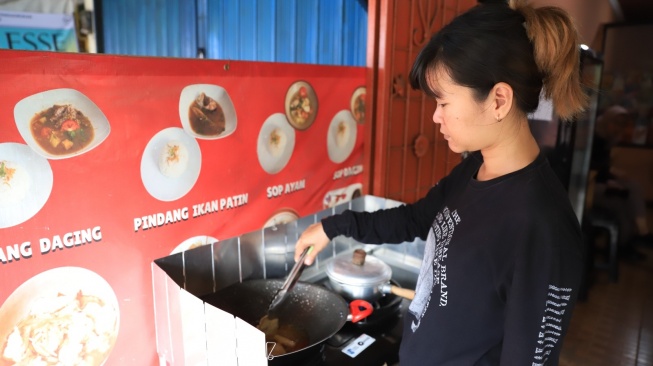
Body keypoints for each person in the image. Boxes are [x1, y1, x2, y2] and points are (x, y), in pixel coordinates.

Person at [294, 0, 587, 364]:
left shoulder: (544, 229)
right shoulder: (475, 170)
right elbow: (415, 219)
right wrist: (332, 227)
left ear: (498, 99)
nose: (435, 116)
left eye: (444, 103)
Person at [591, 105, 653, 256]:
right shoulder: (594, 138)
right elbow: (591, 170)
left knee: (633, 188)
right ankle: (629, 242)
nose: (618, 128)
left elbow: (602, 169)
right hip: (590, 189)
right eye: (616, 123)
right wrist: (609, 178)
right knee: (622, 203)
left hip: (600, 184)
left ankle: (634, 238)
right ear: (607, 121)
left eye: (622, 125)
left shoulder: (607, 139)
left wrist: (610, 177)